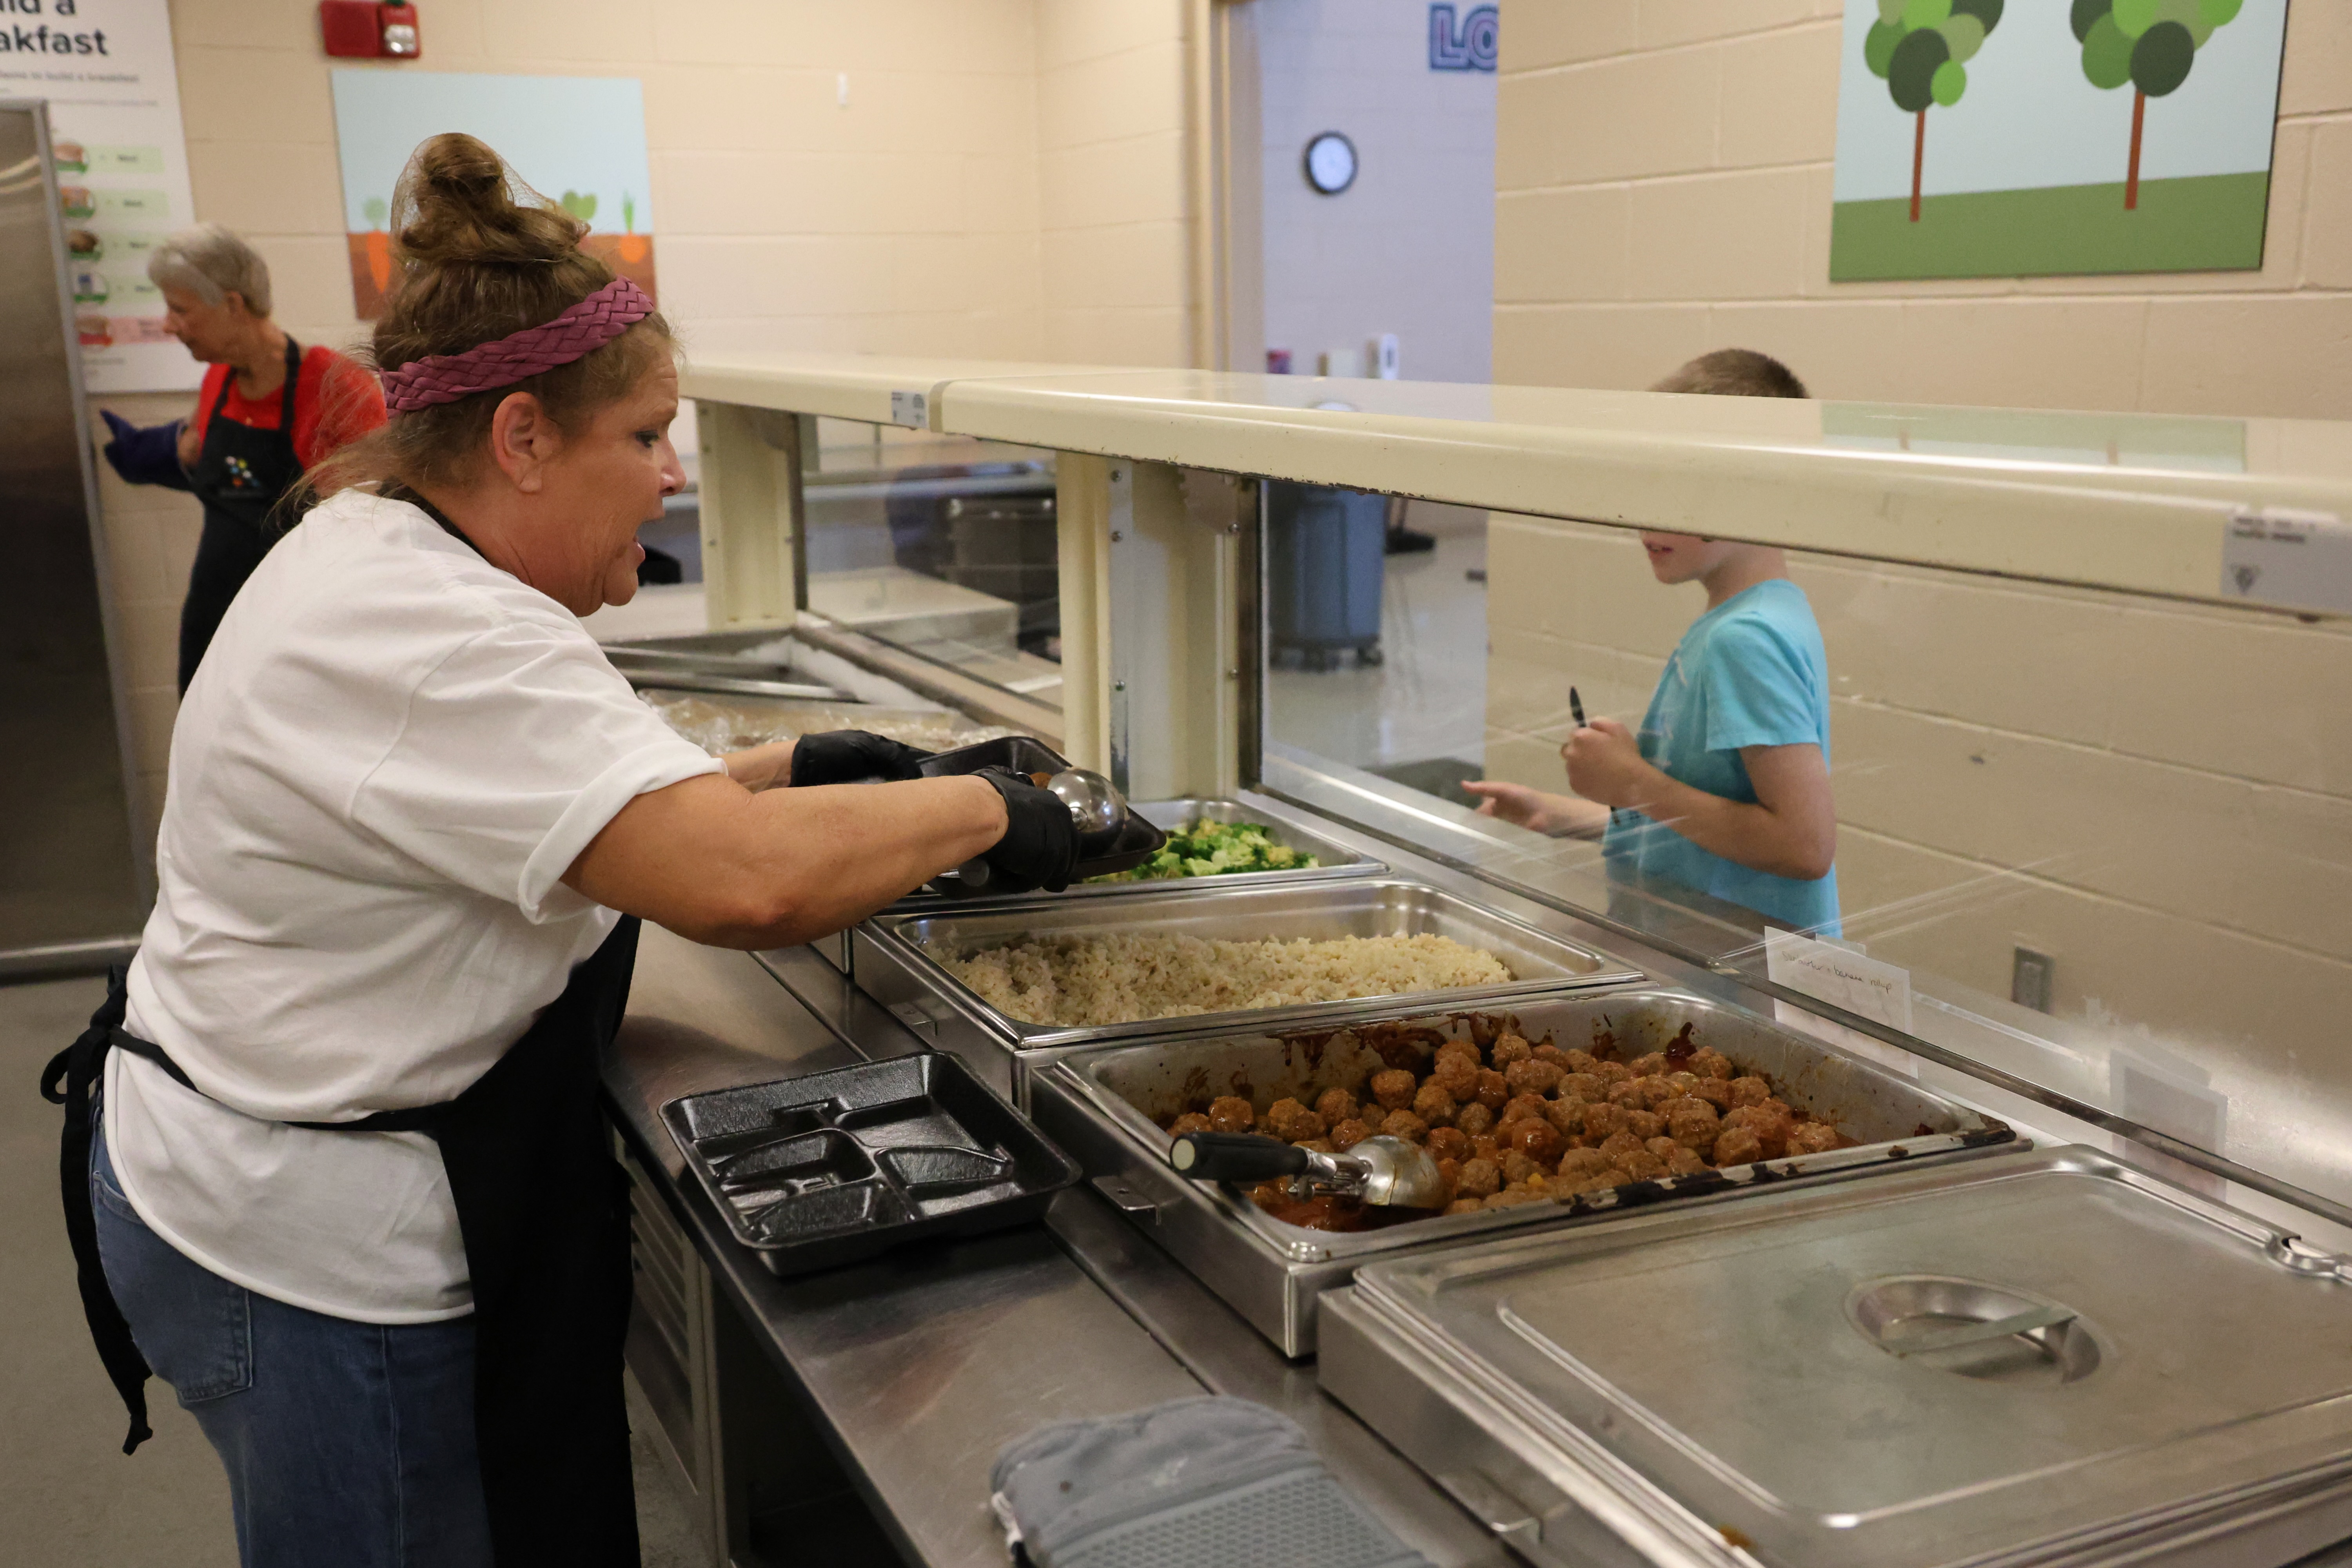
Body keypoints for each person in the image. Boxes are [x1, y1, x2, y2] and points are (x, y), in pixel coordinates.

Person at [43, 133, 1082, 1568]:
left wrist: (788, 765)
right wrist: (998, 809)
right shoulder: (438, 628)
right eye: (646, 434)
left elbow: (493, 798)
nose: (670, 475)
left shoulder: (380, 539)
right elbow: (743, 881)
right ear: (522, 436)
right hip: (307, 1252)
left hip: (238, 1159)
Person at [1463, 349, 1839, 936]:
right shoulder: (1745, 618)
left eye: (1673, 485)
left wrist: (1633, 782)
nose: (1642, 515)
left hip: (1747, 983)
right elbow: (1705, 823)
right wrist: (1563, 814)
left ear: (1751, 486)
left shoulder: (1745, 639)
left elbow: (1804, 844)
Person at [97, 223, 386, 692]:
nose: (169, 325)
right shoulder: (217, 380)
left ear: (232, 305)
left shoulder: (336, 387)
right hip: (216, 619)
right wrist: (158, 452)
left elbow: (383, 515)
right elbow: (210, 463)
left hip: (300, 632)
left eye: (179, 310)